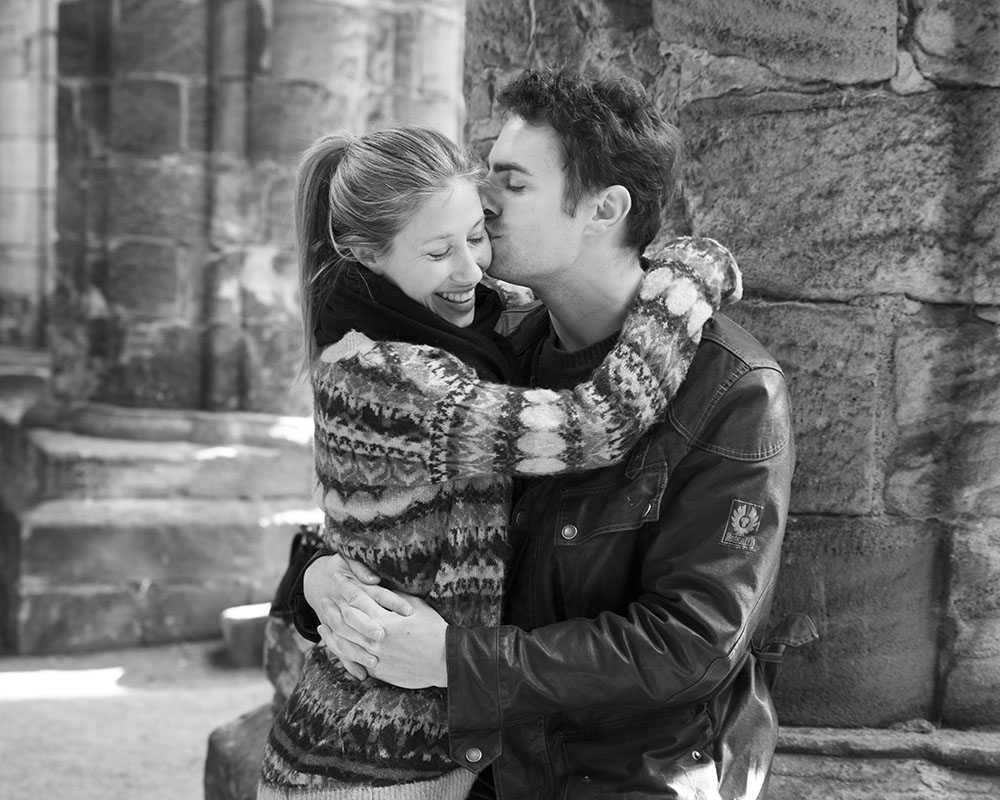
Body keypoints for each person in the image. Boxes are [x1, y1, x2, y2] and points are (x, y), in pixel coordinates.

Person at [301, 68, 796, 800]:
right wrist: (314, 578)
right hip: (485, 771)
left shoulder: (732, 390)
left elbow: (692, 643)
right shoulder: (497, 345)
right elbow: (397, 515)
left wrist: (455, 661)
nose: (485, 199)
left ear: (604, 209)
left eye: (513, 181)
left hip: (629, 780)